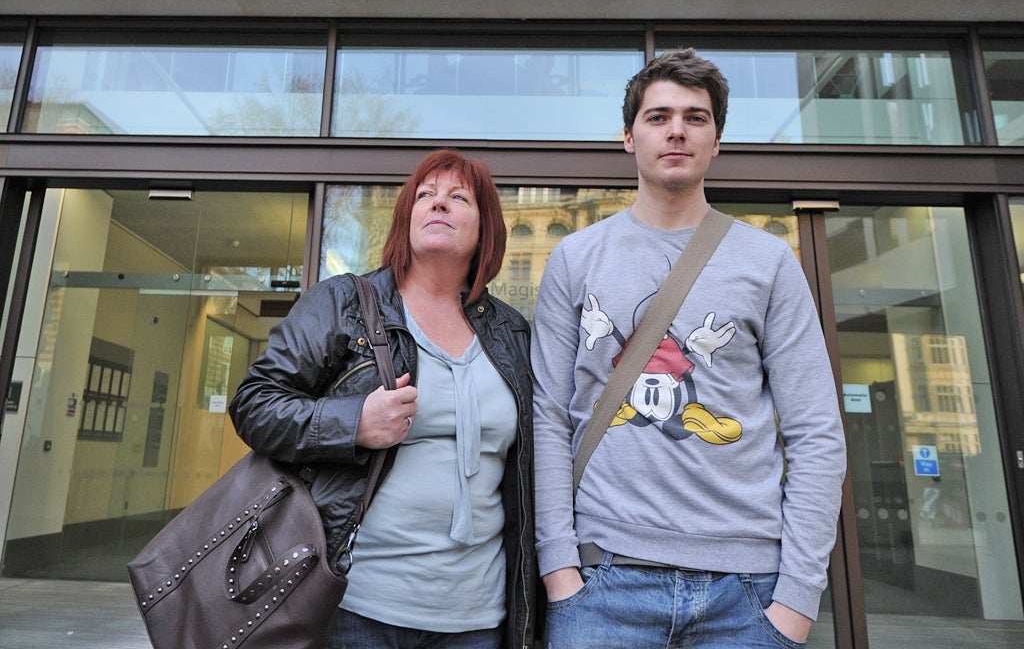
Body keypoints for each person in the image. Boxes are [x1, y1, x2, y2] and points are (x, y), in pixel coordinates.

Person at [531, 48, 847, 648]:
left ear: (717, 141)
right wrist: (559, 569)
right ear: (628, 137)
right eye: (658, 117)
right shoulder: (576, 257)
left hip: (748, 593)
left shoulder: (769, 261)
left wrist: (796, 601)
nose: (676, 130)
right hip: (603, 580)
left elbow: (816, 432)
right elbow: (547, 417)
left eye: (696, 118)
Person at [229, 149, 536, 649]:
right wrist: (353, 423)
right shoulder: (344, 303)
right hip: (358, 605)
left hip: (477, 615)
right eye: (425, 196)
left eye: (458, 198)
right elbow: (254, 402)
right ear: (406, 218)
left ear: (486, 228)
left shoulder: (510, 332)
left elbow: (527, 471)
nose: (438, 205)